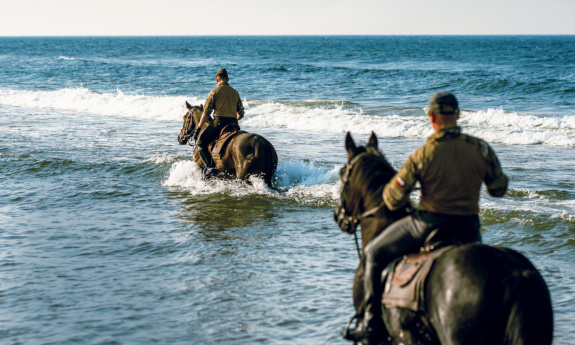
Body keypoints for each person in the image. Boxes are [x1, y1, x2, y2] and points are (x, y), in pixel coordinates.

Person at [347, 91, 509, 344]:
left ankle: (369, 322)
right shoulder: (481, 149)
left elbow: (392, 199)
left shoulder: (423, 154)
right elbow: (498, 189)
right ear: (457, 115)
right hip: (470, 228)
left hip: (427, 225)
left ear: (432, 117)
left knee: (373, 254)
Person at [192, 68, 245, 178]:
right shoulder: (235, 93)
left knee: (200, 144)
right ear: (227, 80)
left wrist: (199, 127)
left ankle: (210, 168)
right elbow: (241, 113)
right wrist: (234, 118)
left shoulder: (214, 92)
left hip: (219, 123)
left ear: (217, 79)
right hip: (234, 124)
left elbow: (206, 112)